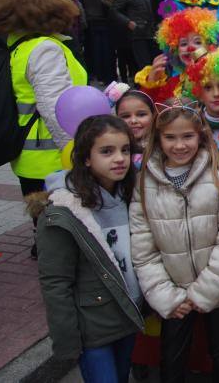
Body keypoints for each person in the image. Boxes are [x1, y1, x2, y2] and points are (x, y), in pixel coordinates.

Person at [130, 104, 219, 382]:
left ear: (201, 136)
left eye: (187, 137)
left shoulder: (218, 178)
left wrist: (203, 292)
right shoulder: (144, 184)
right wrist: (167, 296)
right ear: (158, 139)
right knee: (171, 355)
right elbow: (143, 248)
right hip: (173, 288)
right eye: (170, 137)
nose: (179, 145)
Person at [34, 115, 144, 383]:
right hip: (93, 326)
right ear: (85, 157)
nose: (119, 158)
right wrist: (67, 340)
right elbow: (55, 281)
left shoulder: (131, 194)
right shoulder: (62, 211)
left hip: (128, 313)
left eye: (125, 150)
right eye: (107, 151)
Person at [0, 0, 87, 257]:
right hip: (53, 157)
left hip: (29, 156)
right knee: (59, 232)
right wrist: (76, 152)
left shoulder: (16, 46)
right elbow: (55, 107)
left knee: (43, 226)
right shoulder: (44, 49)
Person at [134, 7, 219, 104]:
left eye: (198, 42)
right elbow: (149, 108)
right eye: (183, 44)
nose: (190, 48)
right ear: (176, 51)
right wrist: (152, 81)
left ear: (211, 46)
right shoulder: (173, 84)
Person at [110, 0, 158, 71]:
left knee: (156, 65)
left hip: (153, 33)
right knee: (144, 67)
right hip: (138, 34)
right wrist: (128, 22)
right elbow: (114, 11)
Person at [110, 85, 156, 169]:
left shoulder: (162, 144)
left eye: (141, 114)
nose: (133, 121)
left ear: (153, 116)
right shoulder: (111, 146)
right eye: (126, 116)